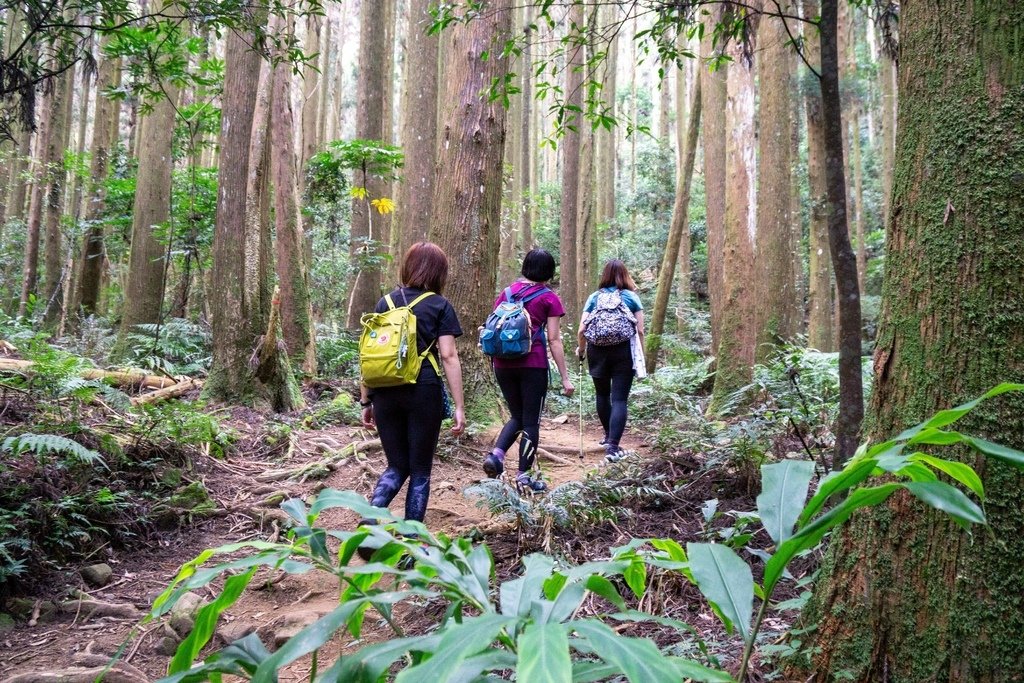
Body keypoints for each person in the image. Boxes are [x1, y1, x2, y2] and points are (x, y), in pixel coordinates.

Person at [359, 242, 466, 541]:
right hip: (424, 391)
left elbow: (369, 355)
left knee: (396, 466)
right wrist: (459, 405)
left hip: (385, 393)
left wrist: (366, 401)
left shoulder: (386, 303)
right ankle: (410, 543)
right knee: (420, 470)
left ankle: (371, 518)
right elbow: (448, 356)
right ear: (439, 272)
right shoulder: (440, 305)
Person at [482, 248, 575, 492]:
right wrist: (565, 377)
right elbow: (554, 340)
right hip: (532, 364)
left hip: (502, 363)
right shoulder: (548, 297)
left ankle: (497, 456)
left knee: (517, 416)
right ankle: (523, 476)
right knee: (531, 421)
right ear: (548, 271)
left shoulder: (507, 293)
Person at [576, 259, 645, 462]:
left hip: (597, 351)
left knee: (602, 394)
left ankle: (608, 437)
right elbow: (640, 330)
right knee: (620, 399)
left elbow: (582, 329)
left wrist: (581, 349)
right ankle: (613, 447)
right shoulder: (631, 297)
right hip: (624, 351)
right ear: (625, 275)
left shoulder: (594, 298)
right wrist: (642, 356)